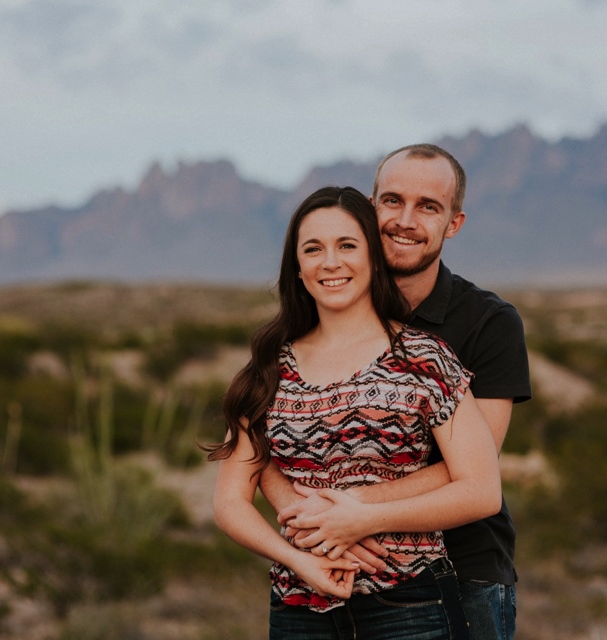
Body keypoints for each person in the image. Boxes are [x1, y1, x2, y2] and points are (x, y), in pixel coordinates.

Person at [206, 186, 504, 640]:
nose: (331, 262)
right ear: (298, 268)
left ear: (372, 259)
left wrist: (363, 519)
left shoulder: (424, 359)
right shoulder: (269, 368)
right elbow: (230, 502)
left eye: (347, 245)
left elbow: (481, 490)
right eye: (313, 249)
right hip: (298, 602)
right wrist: (299, 558)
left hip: (410, 602)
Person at [263, 145, 532, 640]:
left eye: (428, 206)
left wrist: (355, 513)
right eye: (392, 201)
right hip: (328, 568)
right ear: (370, 207)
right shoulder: (321, 315)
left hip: (463, 565)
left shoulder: (488, 324)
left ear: (453, 223)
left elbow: (474, 467)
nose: (405, 220)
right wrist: (315, 521)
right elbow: (268, 450)